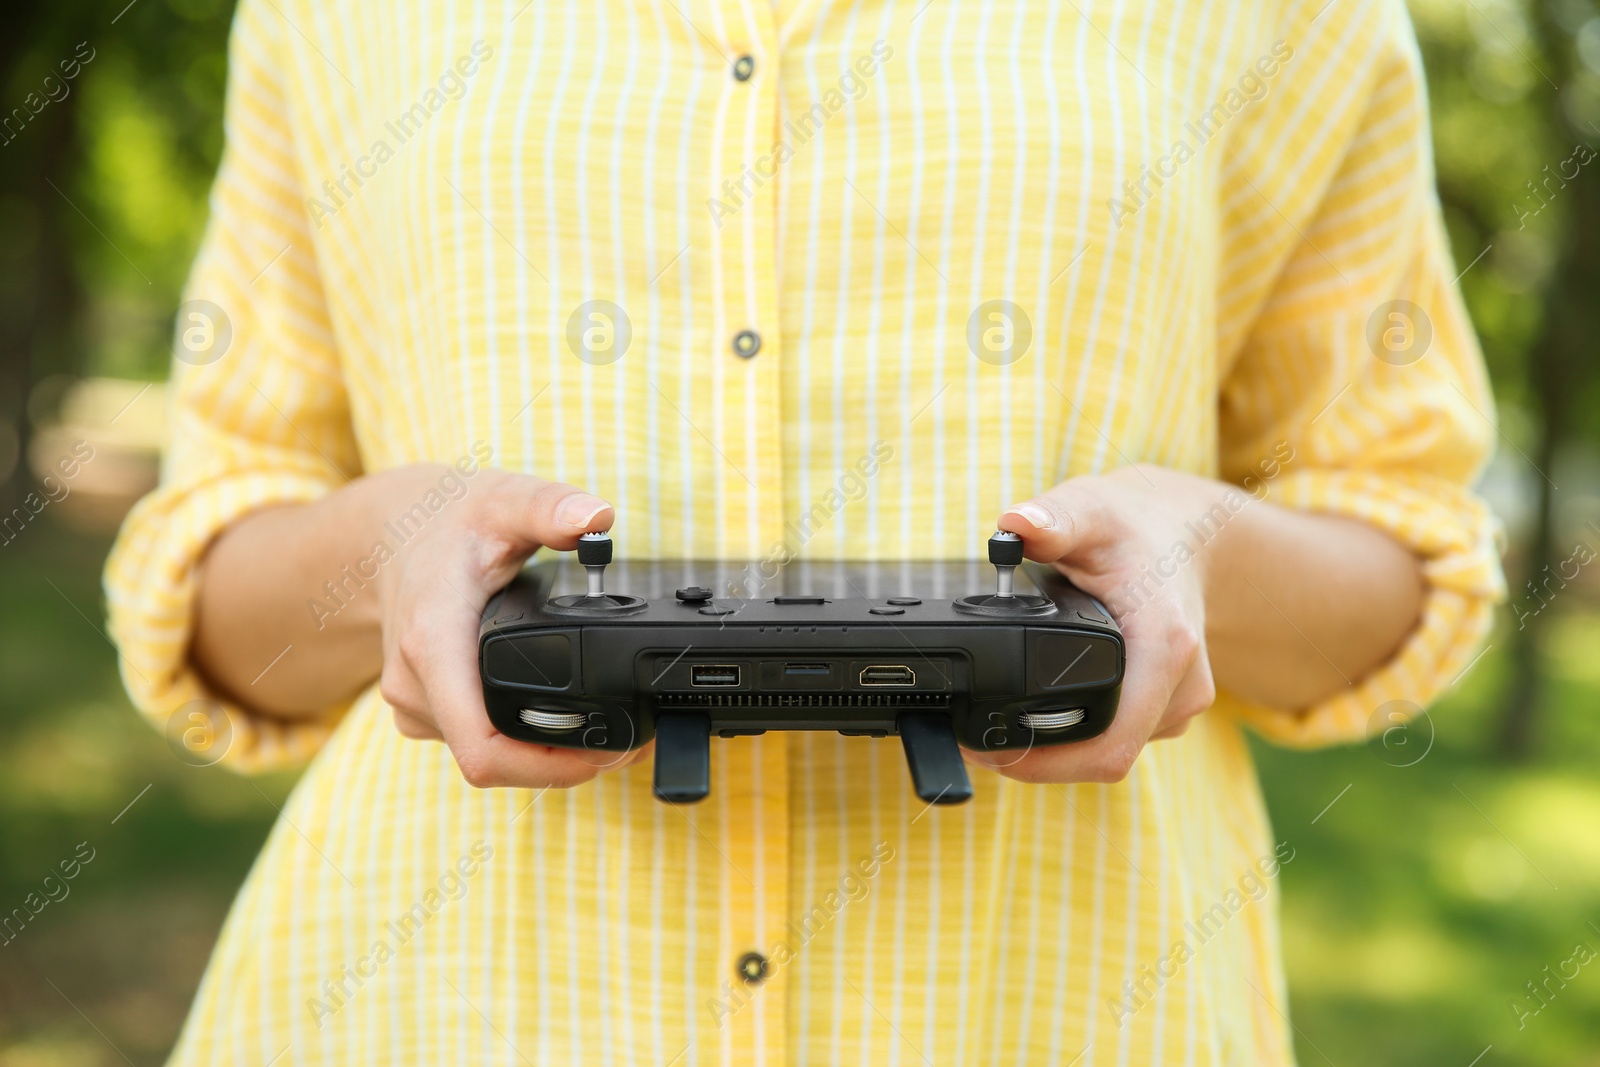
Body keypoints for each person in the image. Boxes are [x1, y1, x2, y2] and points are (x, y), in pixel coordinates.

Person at [106, 0, 1503, 1063]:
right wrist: (389, 545)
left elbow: (1398, 548)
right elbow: (216, 606)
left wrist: (1207, 546)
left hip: (1053, 1005)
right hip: (436, 1003)